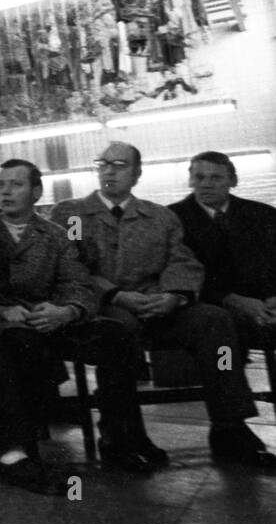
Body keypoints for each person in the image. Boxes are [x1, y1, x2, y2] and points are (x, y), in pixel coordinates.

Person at [51, 141, 274, 469]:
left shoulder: (160, 217)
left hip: (159, 304)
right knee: (119, 329)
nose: (110, 171)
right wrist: (116, 295)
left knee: (214, 320)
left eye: (120, 165)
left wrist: (174, 296)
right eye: (104, 164)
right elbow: (73, 264)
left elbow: (181, 260)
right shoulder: (73, 216)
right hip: (107, 306)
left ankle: (230, 427)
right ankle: (120, 434)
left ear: (137, 173)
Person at [0, 159, 161, 493]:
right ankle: (16, 456)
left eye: (16, 184)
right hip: (2, 323)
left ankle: (119, 438)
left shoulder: (56, 235)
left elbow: (77, 283)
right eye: (1, 185)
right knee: (17, 342)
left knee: (116, 336)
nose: (5, 191)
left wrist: (68, 311)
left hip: (53, 318)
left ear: (36, 192)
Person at [168, 150, 276, 350]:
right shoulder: (171, 219)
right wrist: (231, 300)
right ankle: (226, 370)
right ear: (190, 180)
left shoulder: (263, 214)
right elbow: (178, 275)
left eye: (216, 178)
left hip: (267, 303)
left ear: (233, 181)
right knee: (223, 341)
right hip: (213, 305)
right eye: (199, 177)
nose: (206, 184)